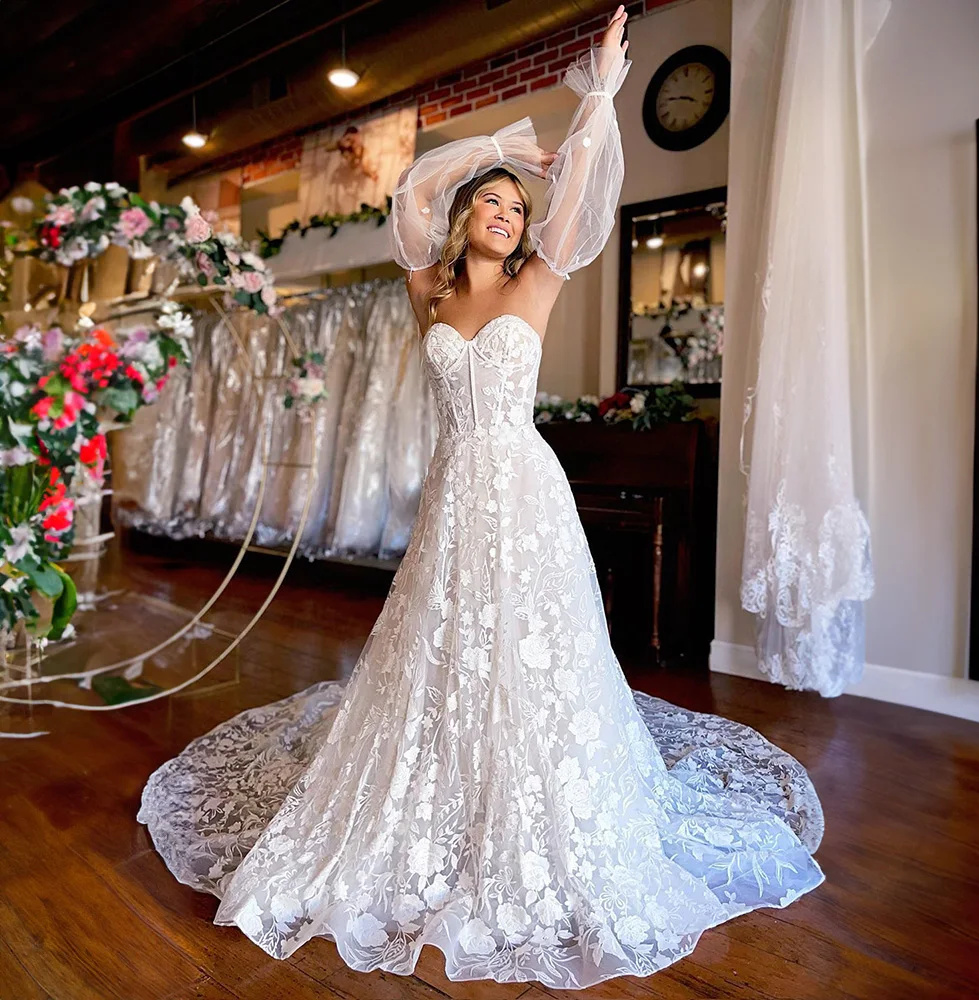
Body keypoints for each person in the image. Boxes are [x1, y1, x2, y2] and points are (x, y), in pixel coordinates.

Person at [137, 7, 825, 989]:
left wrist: (595, 103)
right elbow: (408, 199)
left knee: (530, 648)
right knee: (440, 646)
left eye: (514, 207)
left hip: (522, 488)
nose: (504, 216)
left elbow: (580, 197)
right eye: (491, 206)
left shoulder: (534, 283)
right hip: (453, 494)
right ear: (470, 218)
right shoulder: (429, 291)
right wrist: (492, 147)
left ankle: (535, 794)